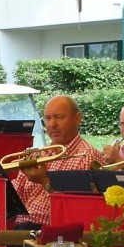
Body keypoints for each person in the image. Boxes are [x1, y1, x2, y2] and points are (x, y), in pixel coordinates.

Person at [13, 96, 104, 227]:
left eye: (59, 117)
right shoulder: (39, 153)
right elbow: (14, 199)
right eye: (47, 118)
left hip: (54, 231)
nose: (52, 125)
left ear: (77, 119)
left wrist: (45, 181)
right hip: (22, 227)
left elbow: (78, 209)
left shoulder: (86, 156)